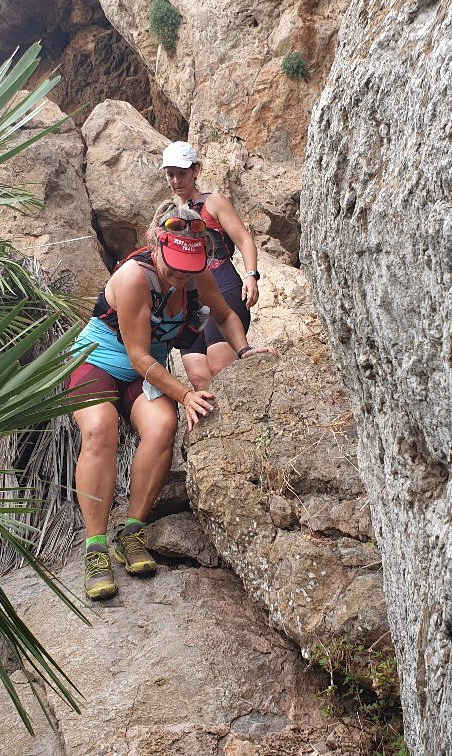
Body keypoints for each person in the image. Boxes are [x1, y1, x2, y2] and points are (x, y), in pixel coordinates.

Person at [66, 201, 276, 600]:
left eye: (189, 265)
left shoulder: (195, 276)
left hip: (146, 371)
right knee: (99, 431)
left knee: (163, 427)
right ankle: (95, 548)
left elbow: (226, 315)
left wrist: (245, 350)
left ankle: (132, 532)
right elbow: (138, 356)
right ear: (156, 242)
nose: (181, 273)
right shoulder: (133, 277)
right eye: (175, 262)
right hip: (98, 362)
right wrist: (185, 393)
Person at [160, 141, 262, 390]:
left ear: (196, 170)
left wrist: (251, 276)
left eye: (182, 173)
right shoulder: (169, 215)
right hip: (190, 298)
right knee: (199, 378)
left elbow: (244, 238)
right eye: (170, 175)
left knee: (220, 368)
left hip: (224, 285)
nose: (176, 181)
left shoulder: (213, 202)